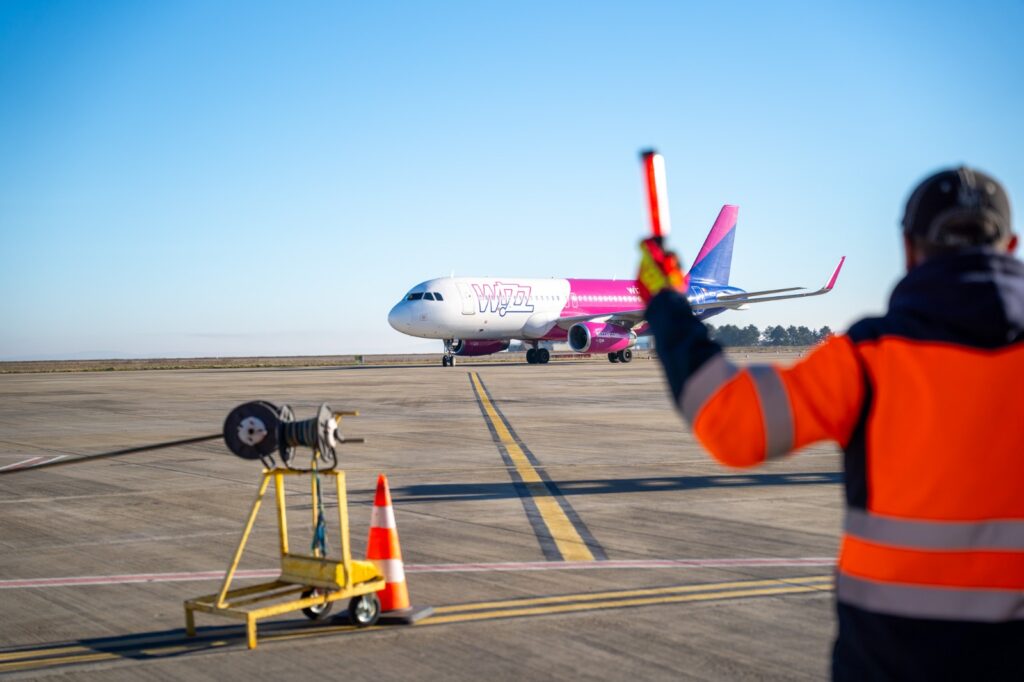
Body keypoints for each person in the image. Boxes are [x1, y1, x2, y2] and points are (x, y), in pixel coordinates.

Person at [637, 167, 1024, 681]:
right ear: (1011, 246)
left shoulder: (868, 356)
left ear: (908, 249)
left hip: (888, 658)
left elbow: (733, 424)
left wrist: (667, 305)